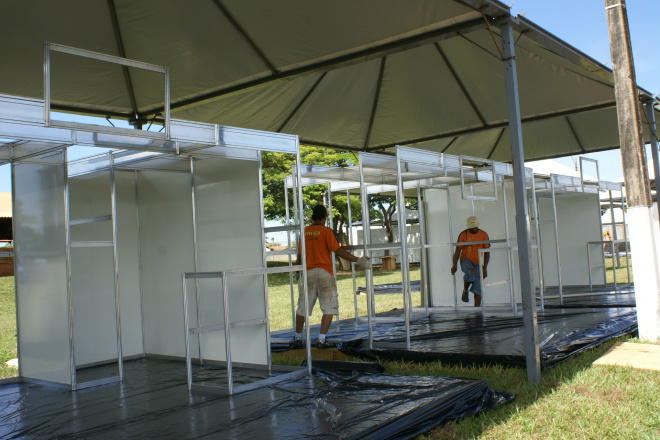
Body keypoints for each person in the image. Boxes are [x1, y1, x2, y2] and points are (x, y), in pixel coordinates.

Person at [293, 205, 371, 349]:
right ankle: (321, 340)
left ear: (313, 216)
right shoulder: (326, 232)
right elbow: (338, 250)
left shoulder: (304, 233)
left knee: (303, 308)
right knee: (329, 307)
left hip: (308, 273)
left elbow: (299, 256)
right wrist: (357, 260)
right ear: (324, 217)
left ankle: (298, 338)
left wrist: (297, 272)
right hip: (324, 273)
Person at [450, 216, 490, 307]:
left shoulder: (483, 234)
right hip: (466, 259)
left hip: (478, 262)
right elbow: (457, 251)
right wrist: (454, 265)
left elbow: (487, 252)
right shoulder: (463, 234)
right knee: (470, 271)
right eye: (471, 228)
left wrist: (485, 268)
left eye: (475, 227)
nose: (473, 229)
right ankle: (465, 290)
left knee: (478, 286)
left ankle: (477, 309)